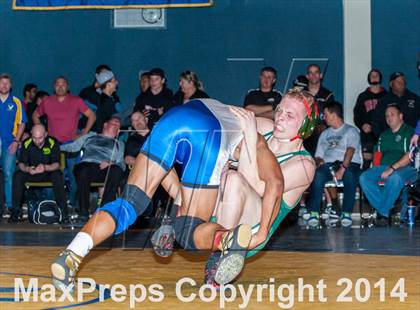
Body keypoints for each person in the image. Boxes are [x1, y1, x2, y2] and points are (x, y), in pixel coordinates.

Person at [51, 98, 283, 291]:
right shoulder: (255, 137)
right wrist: (263, 231)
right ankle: (227, 239)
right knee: (189, 230)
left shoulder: (219, 106)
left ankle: (71, 254)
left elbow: (169, 174)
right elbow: (276, 182)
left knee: (128, 204)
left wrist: (172, 216)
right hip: (210, 137)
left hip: (171, 121)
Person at [202, 87, 317, 285]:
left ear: (306, 126)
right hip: (222, 211)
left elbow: (256, 187)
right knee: (215, 165)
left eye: (289, 115)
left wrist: (248, 136)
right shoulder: (265, 126)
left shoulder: (304, 165)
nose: (280, 118)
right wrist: (206, 109)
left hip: (251, 232)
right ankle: (180, 219)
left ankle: (222, 256)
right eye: (279, 110)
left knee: (233, 179)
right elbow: (223, 121)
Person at [33, 76, 97, 207]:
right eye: (57, 84)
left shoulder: (76, 100)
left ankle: (73, 204)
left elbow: (92, 115)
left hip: (71, 145)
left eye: (63, 85)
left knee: (74, 177)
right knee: (51, 175)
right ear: (54, 87)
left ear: (67, 87)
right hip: (53, 145)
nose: (60, 87)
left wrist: (83, 133)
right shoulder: (48, 101)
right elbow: (35, 115)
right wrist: (43, 133)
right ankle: (51, 204)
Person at [305, 101, 362, 228]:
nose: (323, 117)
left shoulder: (351, 131)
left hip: (349, 164)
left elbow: (350, 151)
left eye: (325, 114)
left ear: (333, 114)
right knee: (318, 175)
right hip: (329, 164)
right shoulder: (325, 134)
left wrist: (343, 168)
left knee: (349, 176)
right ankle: (314, 212)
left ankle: (346, 212)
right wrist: (319, 163)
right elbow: (318, 155)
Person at [359, 105, 416, 226]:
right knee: (364, 177)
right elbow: (378, 156)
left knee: (395, 178)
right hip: (385, 167)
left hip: (407, 167)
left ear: (401, 116)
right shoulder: (384, 135)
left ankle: (382, 213)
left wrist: (392, 169)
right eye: (387, 116)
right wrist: (376, 170)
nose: (389, 118)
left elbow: (409, 156)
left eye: (392, 115)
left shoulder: (410, 132)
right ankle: (387, 208)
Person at [60, 117, 125, 221]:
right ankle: (83, 211)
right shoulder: (90, 137)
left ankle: (106, 209)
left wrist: (111, 163)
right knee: (83, 169)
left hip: (106, 168)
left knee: (116, 171)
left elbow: (122, 164)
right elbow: (72, 147)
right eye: (115, 124)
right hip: (87, 165)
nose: (117, 127)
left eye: (119, 126)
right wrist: (54, 146)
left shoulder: (119, 144)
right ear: (105, 125)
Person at [10, 124, 68, 223]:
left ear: (45, 134)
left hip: (48, 172)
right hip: (32, 172)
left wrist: (45, 167)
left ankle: (64, 214)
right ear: (31, 135)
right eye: (34, 138)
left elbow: (57, 164)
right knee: (18, 176)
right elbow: (20, 163)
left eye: (40, 138)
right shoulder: (27, 143)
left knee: (58, 175)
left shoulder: (52, 142)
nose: (37, 141)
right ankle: (15, 213)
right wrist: (27, 169)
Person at [0, 73, 27, 217]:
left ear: (10, 86)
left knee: (8, 174)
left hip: (10, 143)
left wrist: (17, 141)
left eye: (6, 83)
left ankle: (11, 207)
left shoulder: (16, 102)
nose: (4, 85)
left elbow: (22, 123)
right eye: (1, 83)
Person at [353, 69, 387, 170]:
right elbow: (357, 115)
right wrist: (362, 125)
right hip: (367, 134)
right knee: (366, 163)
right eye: (372, 76)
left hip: (382, 133)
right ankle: (364, 184)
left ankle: (378, 184)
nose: (374, 77)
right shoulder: (363, 96)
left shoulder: (386, 96)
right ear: (369, 78)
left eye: (376, 75)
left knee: (378, 162)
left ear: (380, 78)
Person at [373, 72, 420, 136]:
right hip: (390, 138)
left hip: (411, 137)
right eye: (398, 81)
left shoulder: (414, 99)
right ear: (391, 84)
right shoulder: (384, 101)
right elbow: (376, 121)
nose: (401, 83)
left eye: (403, 81)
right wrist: (382, 137)